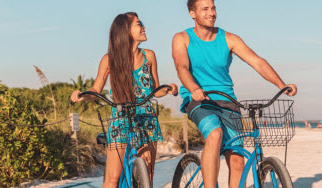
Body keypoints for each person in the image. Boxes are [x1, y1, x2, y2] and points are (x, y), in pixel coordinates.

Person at [172, 0, 298, 187]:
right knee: (214, 134)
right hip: (199, 101)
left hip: (228, 101)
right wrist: (194, 89)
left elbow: (257, 61)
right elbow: (181, 67)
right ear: (193, 13)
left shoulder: (229, 38)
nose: (211, 12)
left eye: (213, 8)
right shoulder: (182, 38)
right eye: (205, 9)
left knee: (237, 160)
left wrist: (281, 84)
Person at [69, 12, 178, 188]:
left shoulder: (149, 56)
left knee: (146, 178)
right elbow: (96, 89)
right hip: (120, 119)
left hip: (147, 118)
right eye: (138, 23)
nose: (143, 26)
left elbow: (155, 90)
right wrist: (82, 95)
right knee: (112, 179)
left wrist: (168, 89)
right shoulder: (109, 59)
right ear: (125, 31)